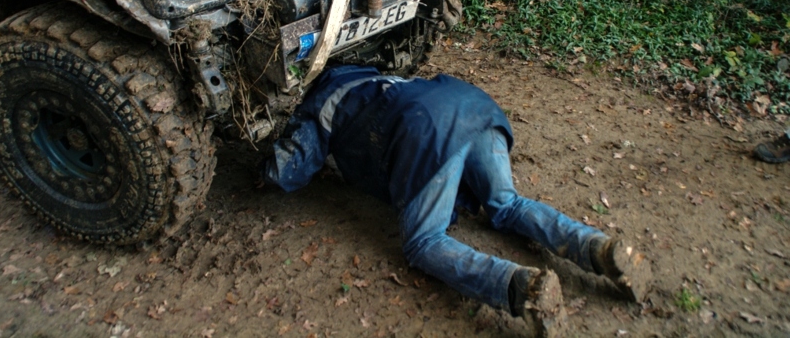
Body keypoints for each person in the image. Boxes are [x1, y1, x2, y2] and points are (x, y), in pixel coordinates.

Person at [264, 65, 651, 338]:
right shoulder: (374, 77)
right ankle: (599, 248)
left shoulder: (319, 98)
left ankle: (521, 288)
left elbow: (289, 171)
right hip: (476, 107)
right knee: (507, 203)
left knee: (424, 242)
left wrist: (263, 159)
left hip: (429, 130)